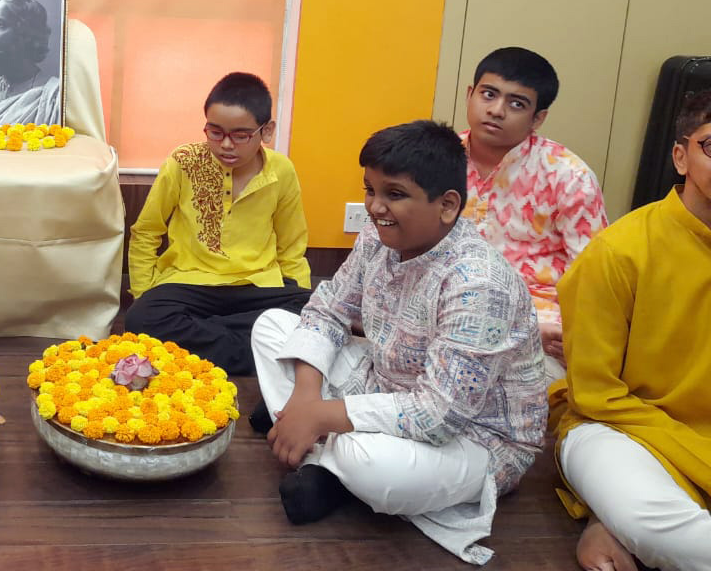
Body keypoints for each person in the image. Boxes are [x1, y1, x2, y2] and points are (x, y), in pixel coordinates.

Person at [252, 120, 545, 565]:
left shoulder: (479, 283)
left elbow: (439, 415)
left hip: (472, 439)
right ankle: (316, 442)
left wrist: (322, 413)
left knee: (368, 461)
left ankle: (325, 462)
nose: (374, 207)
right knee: (271, 327)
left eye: (394, 194)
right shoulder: (377, 237)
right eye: (370, 190)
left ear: (447, 205)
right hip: (385, 381)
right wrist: (307, 395)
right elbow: (328, 309)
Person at [554, 88, 711, 571]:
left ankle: (610, 521)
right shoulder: (619, 252)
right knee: (652, 522)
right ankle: (627, 521)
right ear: (681, 157)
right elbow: (596, 394)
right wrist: (696, 455)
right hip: (614, 428)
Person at [123, 72, 311, 375]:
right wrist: (143, 294)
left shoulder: (282, 170)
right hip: (190, 282)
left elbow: (292, 245)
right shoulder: (183, 162)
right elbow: (146, 231)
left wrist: (300, 299)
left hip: (257, 284)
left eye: (240, 135)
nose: (226, 145)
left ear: (266, 131)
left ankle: (202, 343)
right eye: (215, 132)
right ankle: (256, 350)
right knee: (141, 319)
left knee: (311, 314)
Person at [459, 47, 607, 379]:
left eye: (516, 104)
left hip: (537, 329)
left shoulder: (568, 177)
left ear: (537, 118)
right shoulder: (437, 160)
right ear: (470, 95)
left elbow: (595, 279)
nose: (496, 110)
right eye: (488, 94)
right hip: (448, 311)